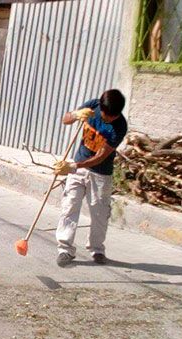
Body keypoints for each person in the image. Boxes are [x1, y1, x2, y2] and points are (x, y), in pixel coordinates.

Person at [54, 89, 128, 267]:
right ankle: (65, 249)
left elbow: (102, 156)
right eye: (106, 116)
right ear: (100, 108)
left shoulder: (120, 127)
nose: (108, 119)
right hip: (78, 165)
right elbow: (65, 120)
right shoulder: (93, 105)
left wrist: (73, 166)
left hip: (100, 173)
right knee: (69, 205)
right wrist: (75, 114)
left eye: (112, 117)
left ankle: (97, 249)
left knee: (100, 214)